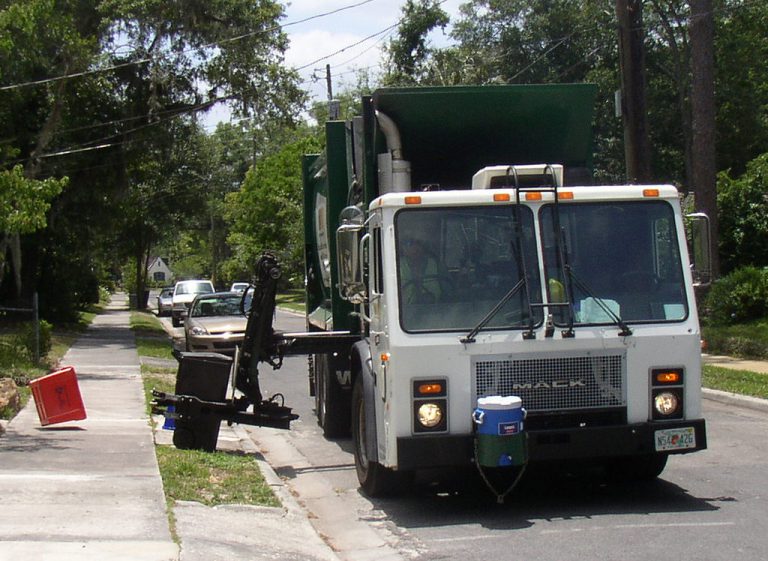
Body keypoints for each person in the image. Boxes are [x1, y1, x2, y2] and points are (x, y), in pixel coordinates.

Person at [399, 236, 443, 304]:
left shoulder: (436, 264)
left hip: (437, 311)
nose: (415, 248)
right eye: (410, 244)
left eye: (419, 243)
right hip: (404, 312)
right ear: (403, 248)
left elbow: (450, 292)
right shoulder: (395, 266)